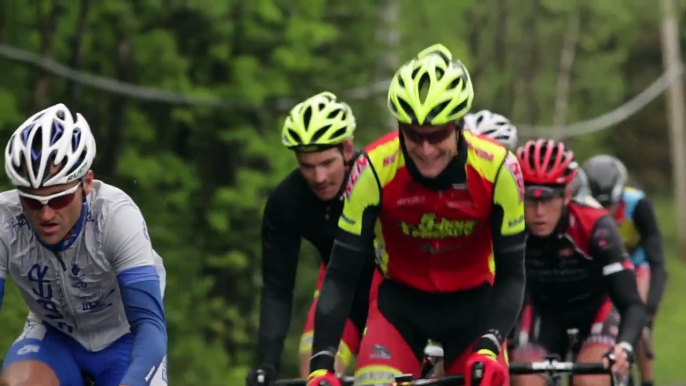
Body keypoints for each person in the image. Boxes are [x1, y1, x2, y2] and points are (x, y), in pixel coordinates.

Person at [307, 43, 527, 386]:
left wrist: (490, 343)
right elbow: (341, 273)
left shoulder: (499, 169)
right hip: (399, 306)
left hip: (474, 308)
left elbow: (512, 273)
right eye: (412, 134)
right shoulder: (373, 168)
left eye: (437, 135)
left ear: (457, 125)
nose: (426, 150)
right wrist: (321, 363)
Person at [0, 103, 167, 386]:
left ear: (86, 183)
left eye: (59, 199)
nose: (46, 214)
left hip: (124, 339)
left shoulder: (116, 216)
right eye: (31, 201)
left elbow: (150, 325)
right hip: (53, 337)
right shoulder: (4, 221)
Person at [245, 92, 375, 385]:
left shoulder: (376, 176)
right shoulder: (286, 201)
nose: (318, 177)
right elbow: (277, 289)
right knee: (312, 372)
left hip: (394, 294)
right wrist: (267, 363)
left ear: (347, 149)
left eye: (327, 163)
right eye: (307, 166)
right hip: (341, 296)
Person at [510, 139, 647, 386]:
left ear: (567, 196)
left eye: (549, 199)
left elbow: (632, 304)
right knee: (526, 381)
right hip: (544, 314)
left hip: (595, 312)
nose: (539, 212)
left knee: (589, 380)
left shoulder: (595, 226)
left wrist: (625, 347)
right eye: (530, 199)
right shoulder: (511, 225)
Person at [582, 155, 667, 386]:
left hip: (636, 264)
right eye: (597, 206)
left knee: (638, 317)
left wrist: (649, 310)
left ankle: (647, 380)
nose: (604, 214)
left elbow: (657, 260)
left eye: (609, 206)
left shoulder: (637, 204)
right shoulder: (578, 208)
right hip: (602, 265)